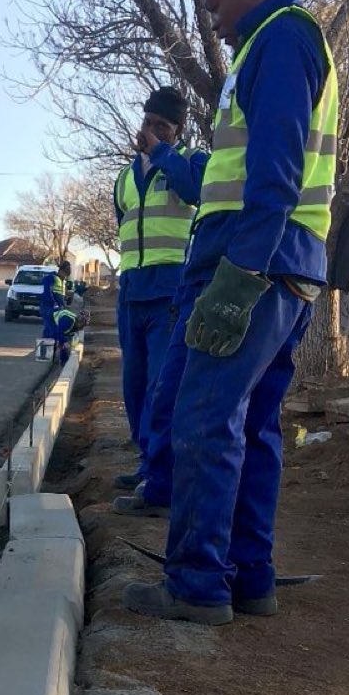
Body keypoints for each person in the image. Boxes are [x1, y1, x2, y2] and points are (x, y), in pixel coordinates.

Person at [123, 0, 338, 625]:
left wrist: (238, 277)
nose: (209, 15)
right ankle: (250, 576)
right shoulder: (278, 43)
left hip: (255, 262)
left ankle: (197, 584)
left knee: (205, 416)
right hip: (285, 262)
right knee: (253, 424)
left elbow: (273, 173)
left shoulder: (280, 41)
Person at [112, 86, 208, 490]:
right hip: (132, 291)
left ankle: (160, 476)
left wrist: (165, 155)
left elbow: (196, 192)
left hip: (170, 293)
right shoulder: (125, 177)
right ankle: (145, 461)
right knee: (133, 385)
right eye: (147, 122)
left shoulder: (191, 162)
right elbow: (124, 224)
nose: (150, 131)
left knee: (160, 386)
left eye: (161, 126)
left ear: (177, 130)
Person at [40, 258, 71, 330]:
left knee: (56, 330)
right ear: (60, 271)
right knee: (50, 329)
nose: (65, 277)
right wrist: (54, 303)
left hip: (57, 309)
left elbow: (60, 295)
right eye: (64, 274)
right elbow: (47, 292)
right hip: (49, 308)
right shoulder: (52, 278)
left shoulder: (62, 281)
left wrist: (64, 305)